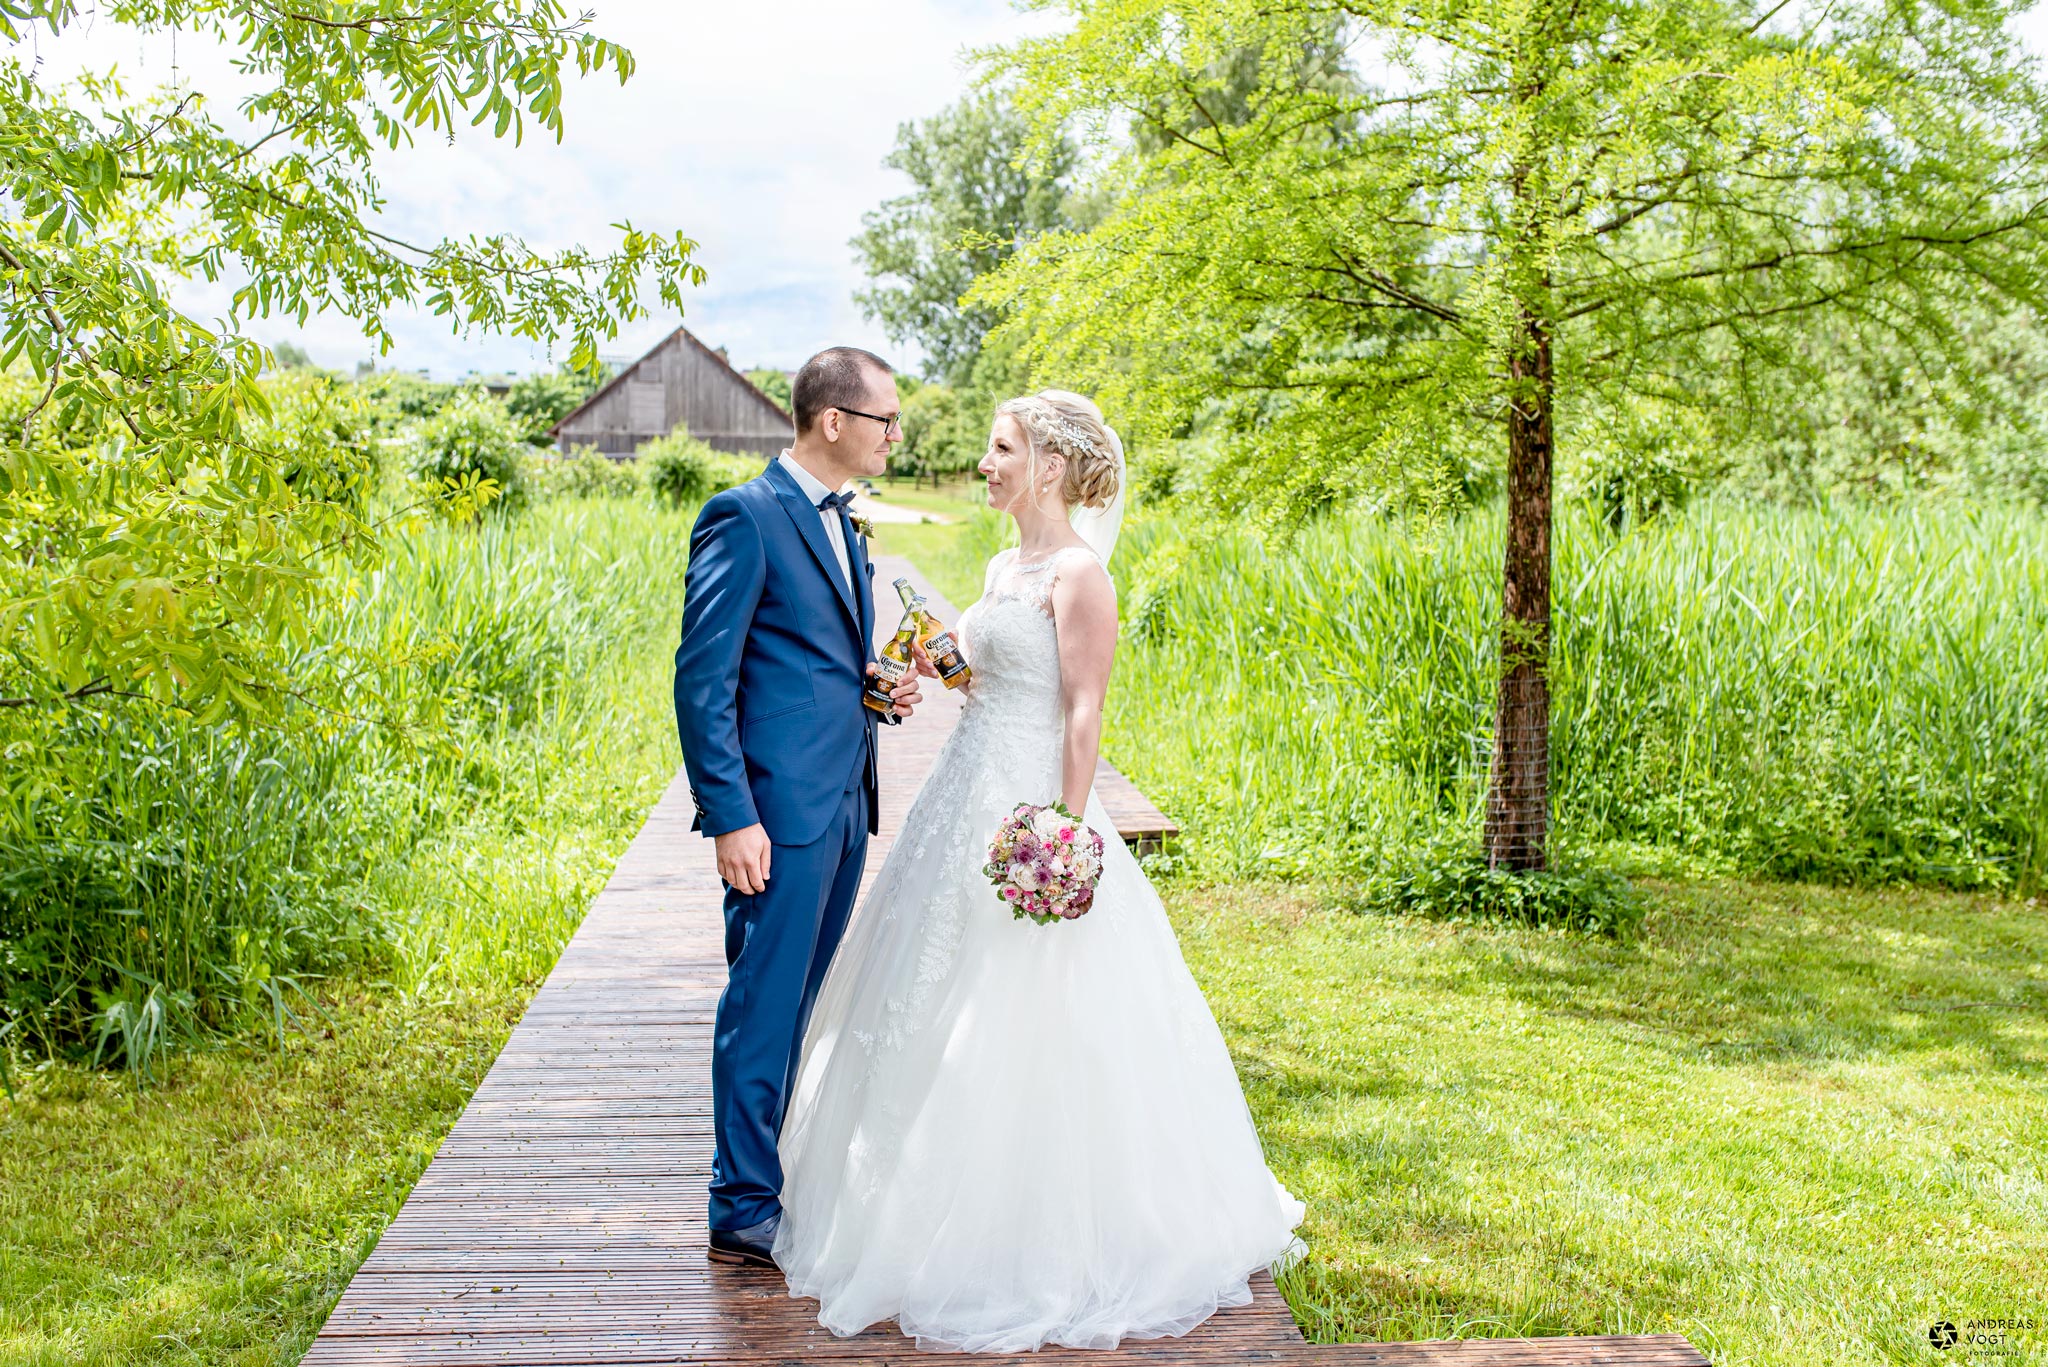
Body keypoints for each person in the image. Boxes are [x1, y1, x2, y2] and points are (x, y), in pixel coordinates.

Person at [772, 389, 1306, 1352]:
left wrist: (1063, 828)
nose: (984, 462)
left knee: (1033, 1005)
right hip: (959, 792)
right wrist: (930, 666)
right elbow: (991, 680)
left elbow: (1082, 711)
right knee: (923, 986)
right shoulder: (998, 563)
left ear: (1049, 468)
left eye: (1000, 447)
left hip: (1031, 806)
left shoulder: (1079, 573)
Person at [672, 345, 931, 1269]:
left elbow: (806, 657)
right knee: (764, 1001)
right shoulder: (742, 516)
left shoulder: (844, 523)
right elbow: (704, 680)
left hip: (844, 803)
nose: (896, 434)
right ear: (834, 421)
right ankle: (740, 1202)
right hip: (777, 814)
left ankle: (770, 1168)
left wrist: (874, 688)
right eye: (885, 419)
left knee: (803, 999)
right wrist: (731, 814)